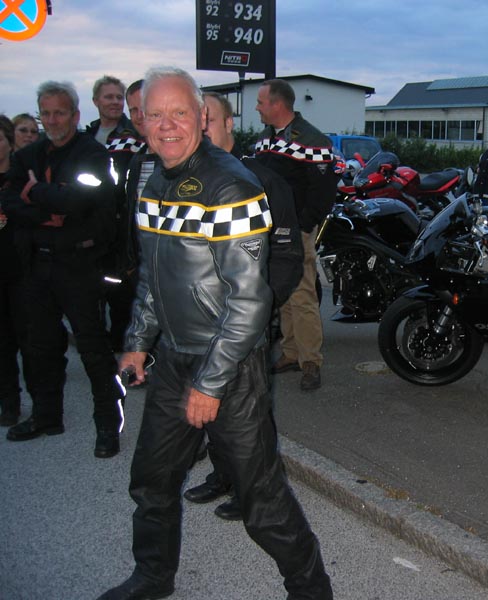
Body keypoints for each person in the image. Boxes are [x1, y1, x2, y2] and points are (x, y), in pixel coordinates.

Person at [97, 66, 332, 600]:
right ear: (141, 121)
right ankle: (153, 576)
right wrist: (137, 341)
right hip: (173, 360)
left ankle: (312, 589)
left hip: (231, 367)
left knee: (261, 501)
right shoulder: (155, 180)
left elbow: (251, 301)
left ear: (201, 117)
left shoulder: (231, 186)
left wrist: (209, 383)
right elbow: (154, 277)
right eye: (155, 115)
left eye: (179, 112)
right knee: (151, 481)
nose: (166, 125)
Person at [182, 91, 304, 523]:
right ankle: (224, 474)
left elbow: (287, 256)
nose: (200, 130)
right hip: (198, 319)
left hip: (245, 320)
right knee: (210, 402)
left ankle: (258, 491)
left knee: (250, 413)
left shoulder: (262, 180)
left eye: (209, 120)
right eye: (194, 121)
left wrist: (261, 308)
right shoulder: (185, 181)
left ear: (229, 123)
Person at [0, 81, 124, 458]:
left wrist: (35, 193)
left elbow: (80, 201)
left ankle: (107, 425)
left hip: (79, 264)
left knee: (92, 347)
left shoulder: (92, 153)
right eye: (46, 113)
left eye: (60, 112)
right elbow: (9, 201)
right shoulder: (28, 155)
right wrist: (48, 211)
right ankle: (46, 416)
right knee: (40, 346)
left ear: (75, 114)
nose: (52, 120)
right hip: (36, 263)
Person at [254, 79, 337, 391]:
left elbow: (324, 191)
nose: (257, 108)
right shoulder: (265, 139)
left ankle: (310, 361)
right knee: (283, 292)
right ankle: (290, 353)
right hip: (270, 230)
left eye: (261, 102)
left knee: (302, 294)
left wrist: (303, 226)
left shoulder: (313, 140)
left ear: (277, 104)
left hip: (296, 231)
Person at [102, 79, 149, 352]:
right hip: (135, 259)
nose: (139, 116)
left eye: (145, 107)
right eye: (133, 110)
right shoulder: (137, 158)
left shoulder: (182, 156)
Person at [0, 115, 33, 426]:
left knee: (31, 340)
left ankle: (42, 405)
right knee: (2, 344)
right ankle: (9, 403)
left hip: (23, 269)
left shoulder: (22, 176)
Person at [86, 75, 135, 145]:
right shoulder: (88, 136)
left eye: (119, 97)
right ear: (96, 101)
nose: (115, 102)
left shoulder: (135, 134)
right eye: (109, 97)